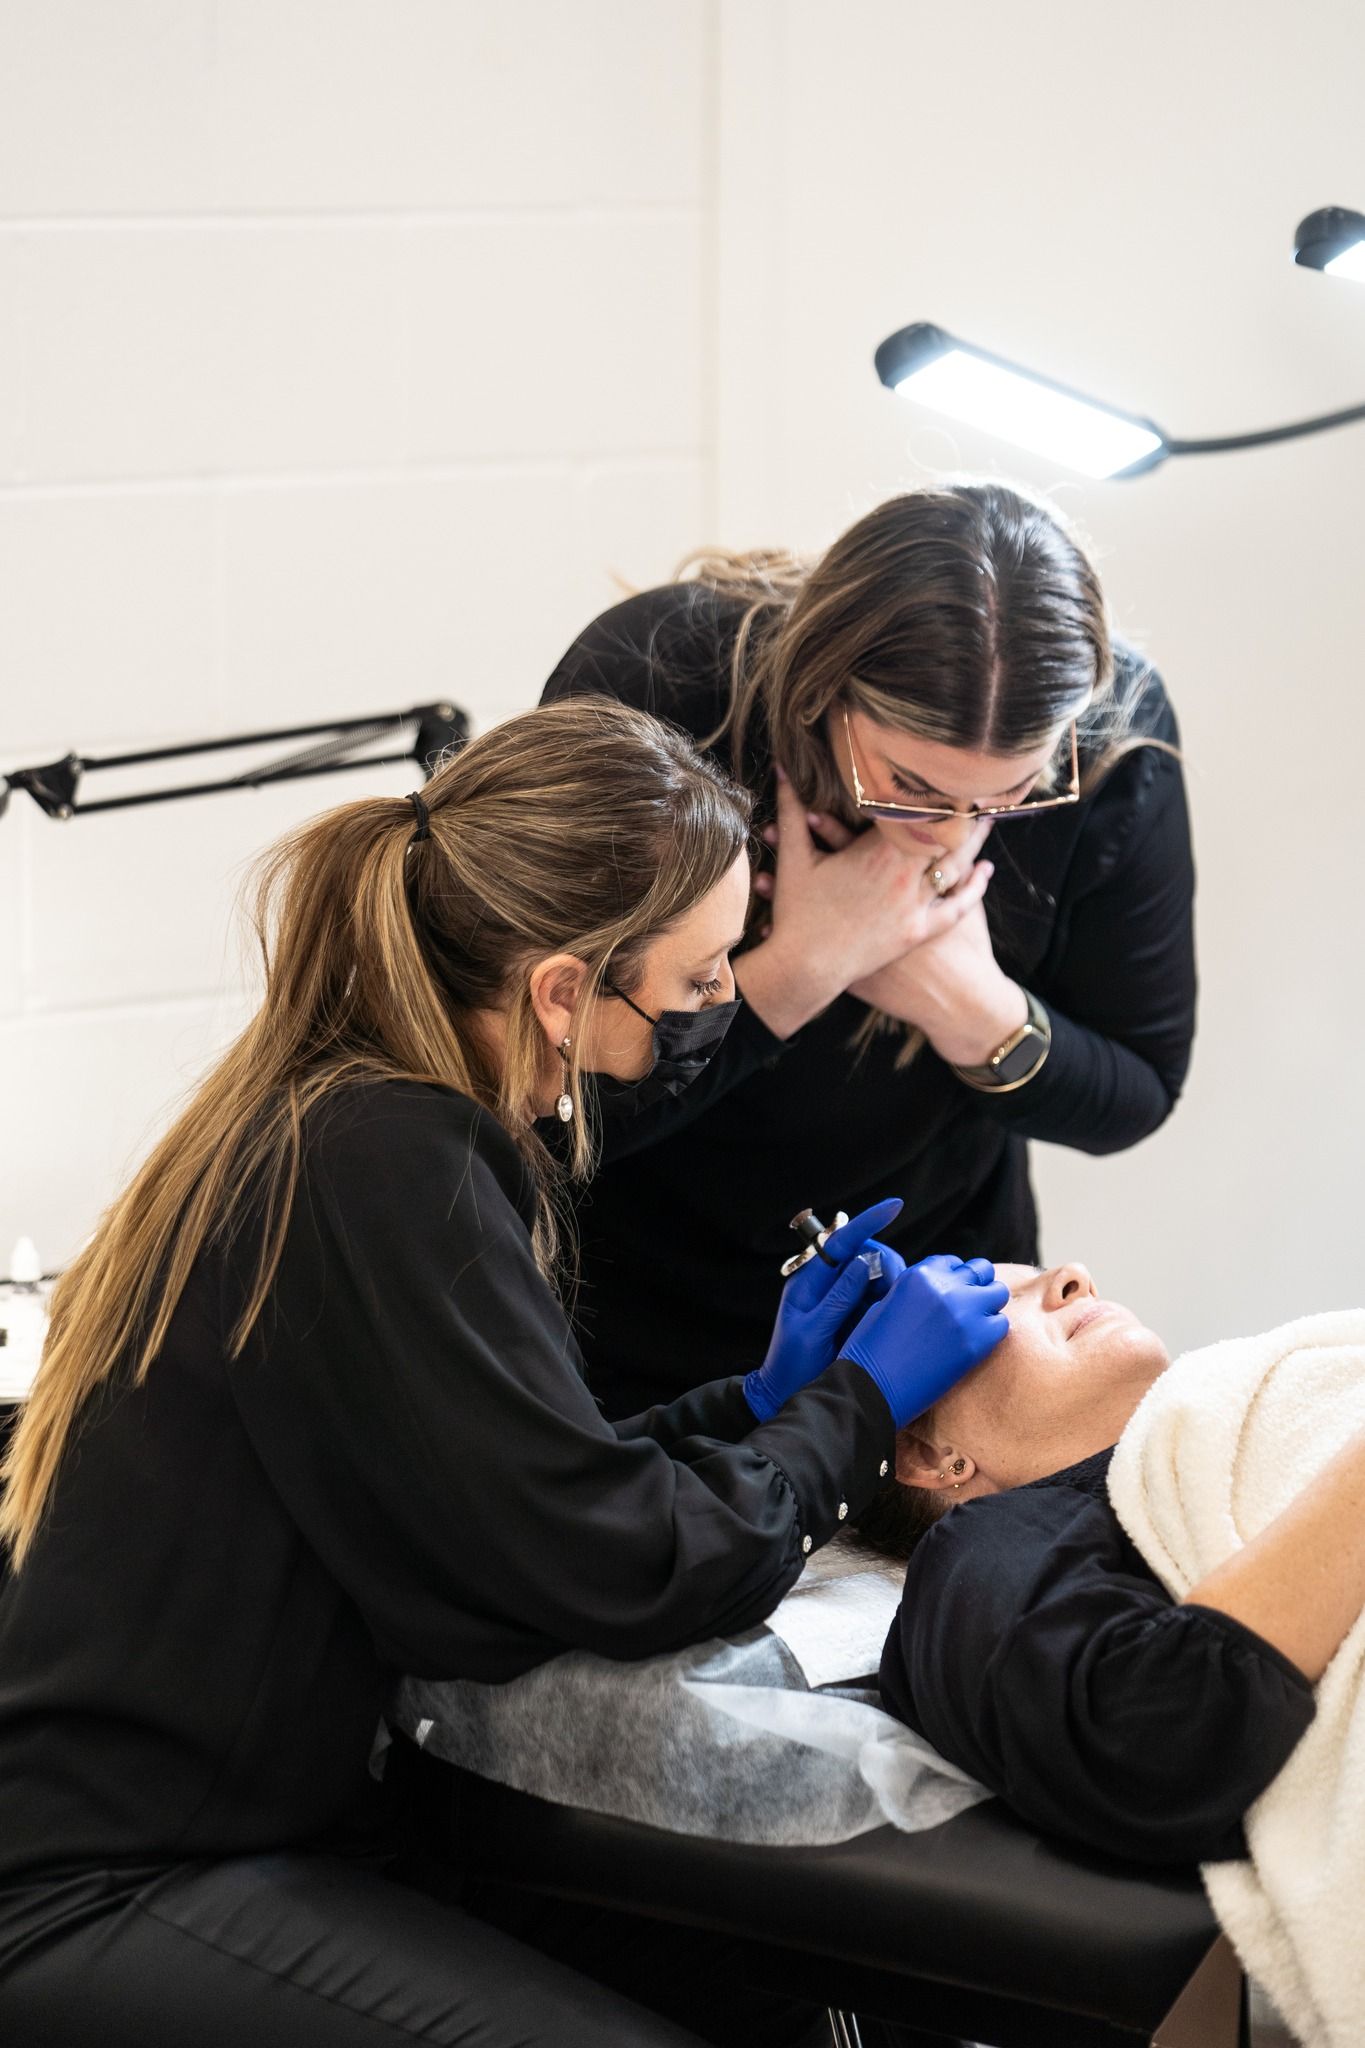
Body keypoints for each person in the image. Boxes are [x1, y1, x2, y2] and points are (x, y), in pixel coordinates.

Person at [0, 698, 1008, 2048]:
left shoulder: (333, 1115)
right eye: (702, 982)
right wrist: (864, 1407)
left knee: (754, 1994)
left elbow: (507, 1494)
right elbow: (611, 1564)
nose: (718, 1009)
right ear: (561, 989)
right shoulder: (386, 1157)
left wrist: (764, 1401)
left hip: (246, 1828)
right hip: (105, 1880)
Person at [541, 482, 1197, 1416]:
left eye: (1011, 794)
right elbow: (544, 1106)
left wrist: (970, 1007)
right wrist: (800, 969)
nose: (952, 837)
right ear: (823, 692)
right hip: (632, 1305)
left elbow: (1134, 1092)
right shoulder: (660, 687)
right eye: (911, 785)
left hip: (931, 1322)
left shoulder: (1114, 740)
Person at [869, 1262, 1348, 1866]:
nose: (1075, 1276)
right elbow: (1143, 1738)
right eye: (991, 1302)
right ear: (929, 1454)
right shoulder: (983, 1545)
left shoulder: (1215, 1436)